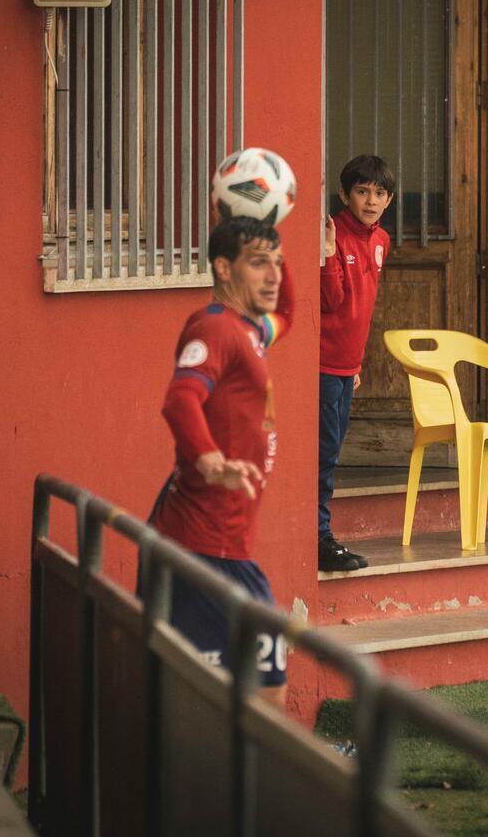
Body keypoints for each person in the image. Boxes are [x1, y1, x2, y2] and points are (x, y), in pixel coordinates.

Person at [148, 215, 296, 704]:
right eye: (259, 264)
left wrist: (272, 217)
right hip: (204, 548)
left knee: (254, 692)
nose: (274, 276)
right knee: (254, 693)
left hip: (222, 545)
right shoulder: (217, 329)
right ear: (223, 268)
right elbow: (181, 399)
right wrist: (211, 461)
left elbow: (289, 312)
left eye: (278, 263)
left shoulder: (252, 331)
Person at [317, 155, 394, 572]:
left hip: (349, 367)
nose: (370, 201)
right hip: (324, 365)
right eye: (362, 192)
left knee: (331, 450)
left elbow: (362, 309)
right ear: (344, 194)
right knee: (324, 455)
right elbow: (331, 302)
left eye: (379, 193)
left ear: (389, 200)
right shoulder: (332, 233)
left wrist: (358, 363)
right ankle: (319, 539)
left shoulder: (382, 240)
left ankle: (319, 534)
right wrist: (329, 253)